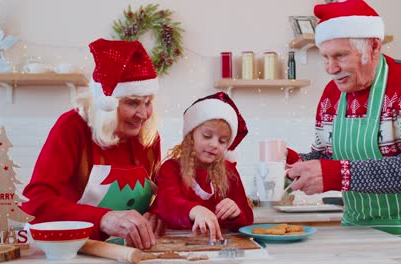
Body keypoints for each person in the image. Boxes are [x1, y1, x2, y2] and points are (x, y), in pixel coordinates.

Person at [286, 0, 401, 246]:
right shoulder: (331, 96)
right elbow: (326, 157)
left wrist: (338, 175)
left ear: (373, 47)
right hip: (357, 233)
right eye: (325, 57)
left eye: (340, 56)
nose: (330, 68)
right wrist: (291, 163)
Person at [21, 39, 165, 249]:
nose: (143, 114)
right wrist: (103, 218)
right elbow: (36, 202)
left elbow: (163, 190)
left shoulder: (148, 136)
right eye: (132, 102)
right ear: (106, 102)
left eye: (148, 102)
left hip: (129, 250)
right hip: (74, 248)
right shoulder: (72, 127)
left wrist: (157, 211)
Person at [155, 92, 253, 243]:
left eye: (222, 141)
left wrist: (236, 212)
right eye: (207, 136)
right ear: (190, 136)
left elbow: (247, 218)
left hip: (217, 245)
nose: (214, 145)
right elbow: (167, 203)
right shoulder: (171, 168)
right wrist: (195, 210)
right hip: (177, 244)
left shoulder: (229, 172)